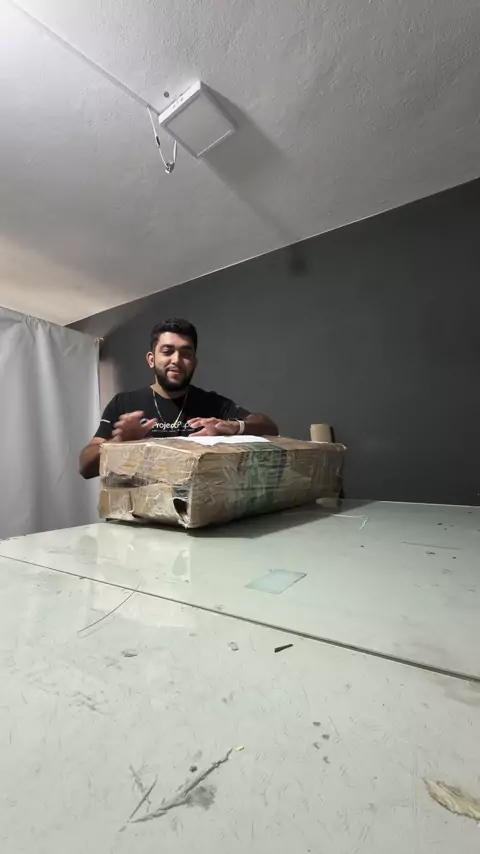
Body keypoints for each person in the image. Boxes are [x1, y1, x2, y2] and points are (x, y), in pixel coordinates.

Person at [79, 318, 278, 479]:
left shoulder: (213, 404)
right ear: (151, 359)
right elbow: (85, 467)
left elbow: (269, 427)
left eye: (186, 354)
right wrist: (120, 441)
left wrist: (234, 426)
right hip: (135, 514)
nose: (176, 360)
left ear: (194, 362)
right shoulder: (124, 403)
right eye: (167, 352)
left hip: (199, 512)